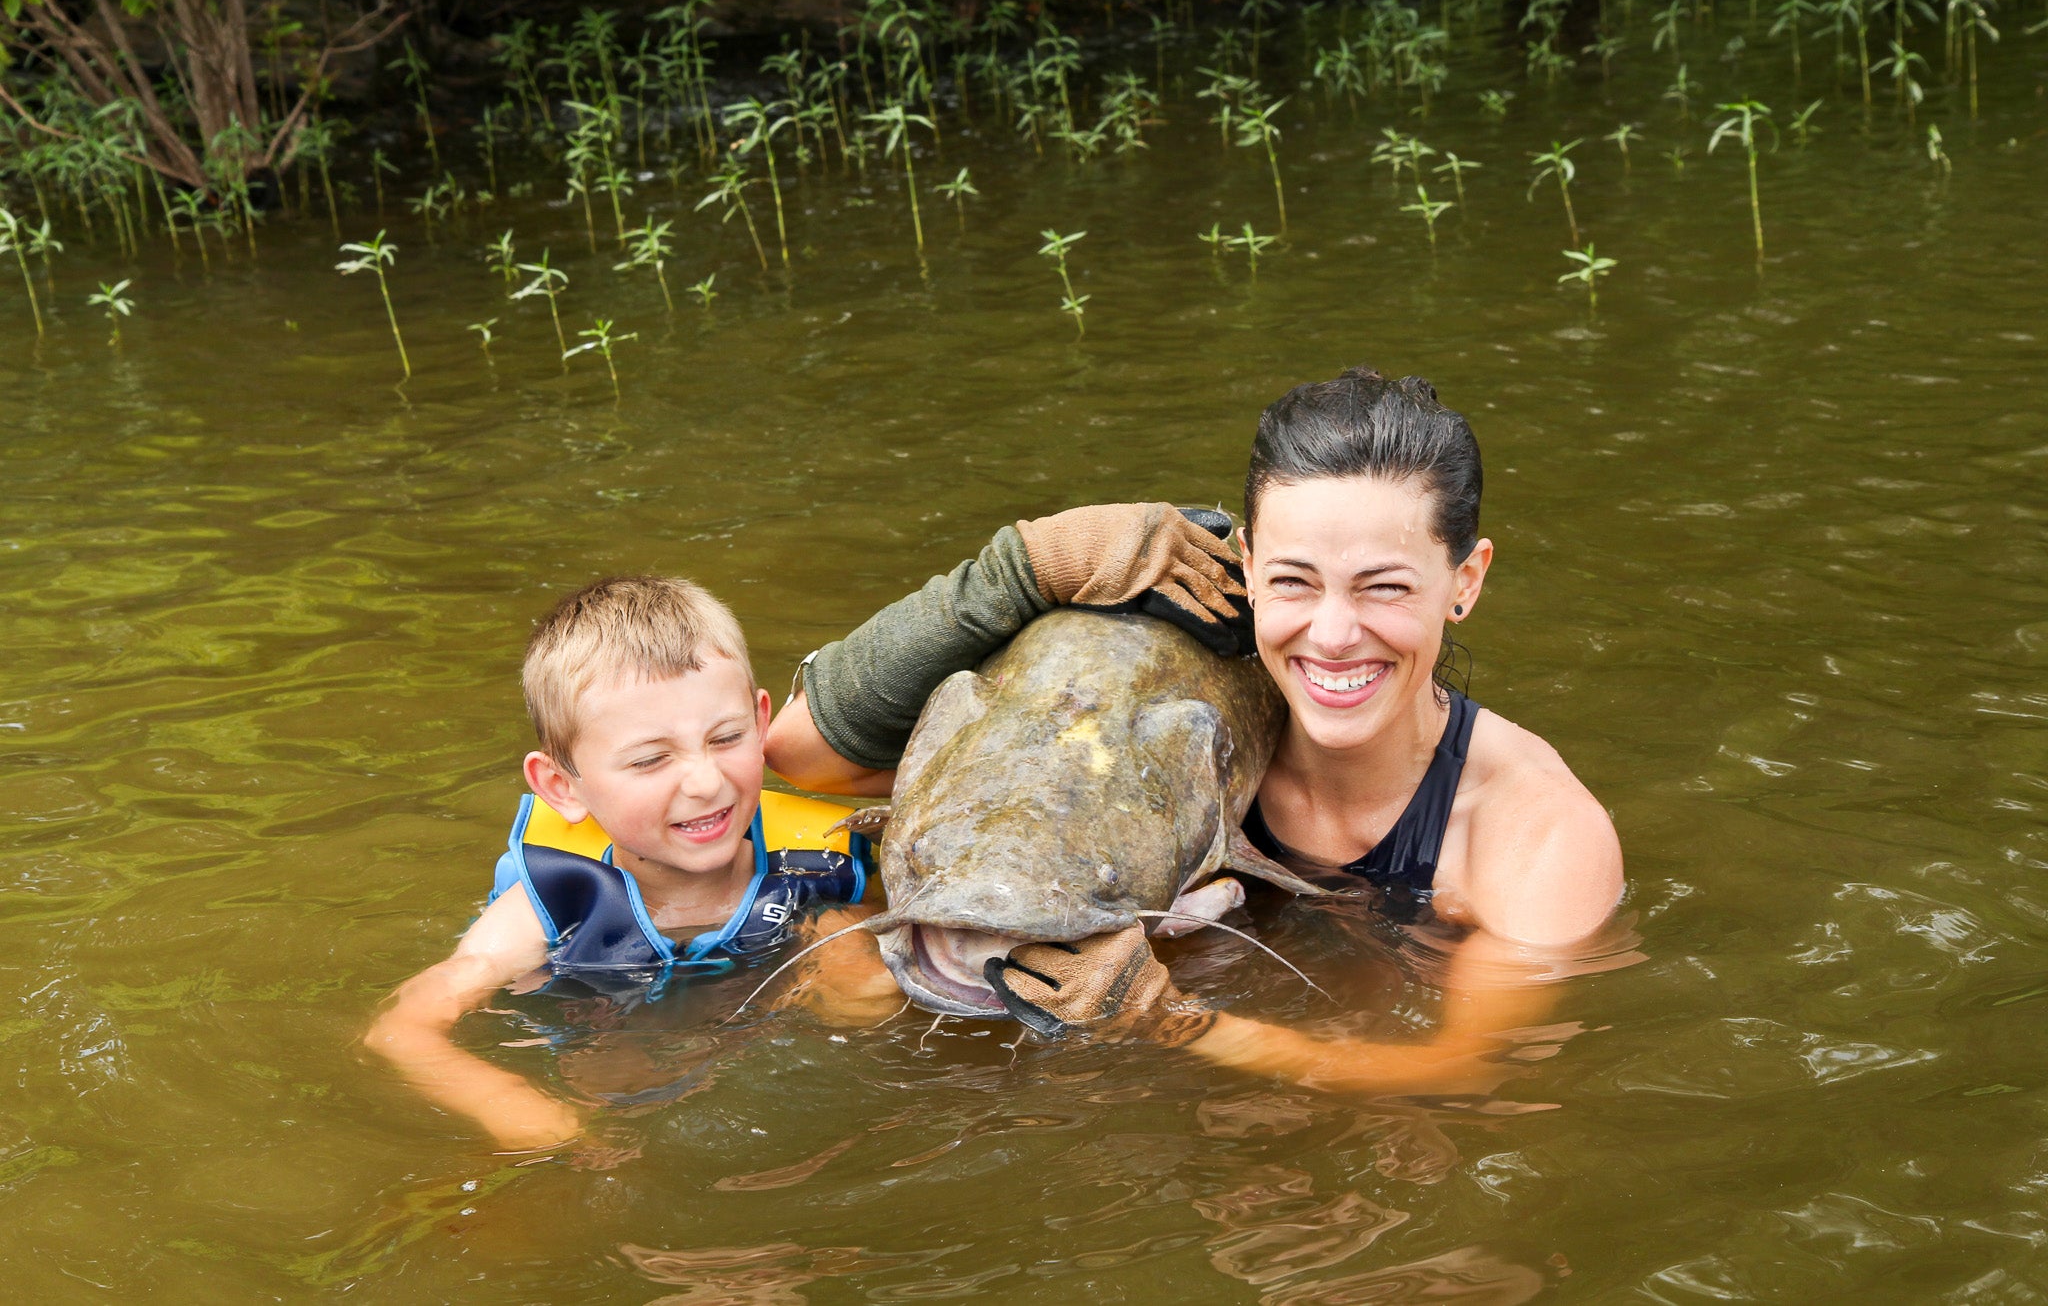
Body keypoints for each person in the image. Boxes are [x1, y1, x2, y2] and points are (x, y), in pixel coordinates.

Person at [764, 366, 1626, 1094]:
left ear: (1465, 579)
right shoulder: (1160, 727)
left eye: (1385, 588)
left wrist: (1171, 1021)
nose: (1331, 634)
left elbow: (1457, 1072)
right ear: (1245, 564)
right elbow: (798, 757)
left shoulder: (1539, 837)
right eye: (1292, 581)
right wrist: (1024, 566)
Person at [365, 576, 870, 1148]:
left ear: (761, 725)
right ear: (562, 787)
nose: (706, 782)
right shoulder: (549, 913)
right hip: (618, 1107)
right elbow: (402, 1032)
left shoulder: (822, 878)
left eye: (726, 738)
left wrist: (847, 950)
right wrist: (511, 1106)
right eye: (651, 760)